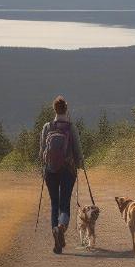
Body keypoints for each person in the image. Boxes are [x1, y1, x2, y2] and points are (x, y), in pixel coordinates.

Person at [39, 95, 84, 254]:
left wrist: (44, 167)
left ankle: (57, 242)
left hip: (50, 171)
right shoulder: (71, 127)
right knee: (64, 204)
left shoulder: (47, 127)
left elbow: (41, 152)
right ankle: (61, 227)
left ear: (54, 109)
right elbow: (78, 150)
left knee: (54, 204)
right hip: (67, 170)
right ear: (66, 109)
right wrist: (80, 164)